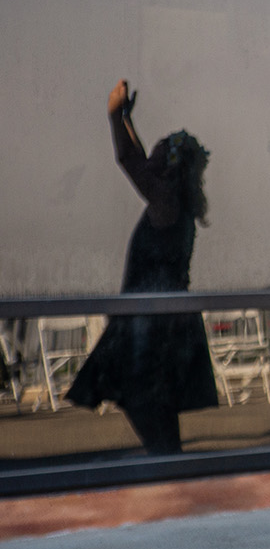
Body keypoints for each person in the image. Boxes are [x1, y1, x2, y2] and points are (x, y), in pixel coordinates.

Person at [67, 81, 218, 456]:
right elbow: (136, 156)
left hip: (152, 331)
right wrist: (126, 119)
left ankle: (170, 472)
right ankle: (169, 469)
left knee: (148, 408)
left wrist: (114, 114)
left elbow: (129, 159)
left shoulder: (165, 201)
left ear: (168, 168)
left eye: (160, 148)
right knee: (154, 413)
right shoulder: (173, 201)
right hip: (157, 324)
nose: (150, 149)